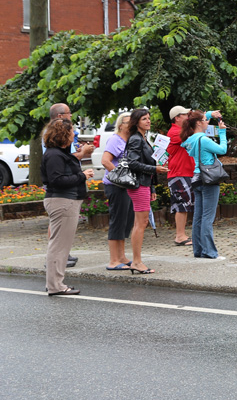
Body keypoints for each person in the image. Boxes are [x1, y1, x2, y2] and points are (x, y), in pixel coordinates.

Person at [42, 119, 94, 295]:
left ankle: (54, 284)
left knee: (59, 245)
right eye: (72, 131)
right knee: (59, 246)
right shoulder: (54, 155)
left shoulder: (58, 154)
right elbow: (57, 180)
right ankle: (56, 286)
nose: (74, 134)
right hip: (62, 202)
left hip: (64, 201)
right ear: (63, 134)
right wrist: (82, 176)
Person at [165, 105, 218, 246]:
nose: (189, 117)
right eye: (186, 114)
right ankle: (180, 236)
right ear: (177, 118)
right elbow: (196, 131)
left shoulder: (182, 131)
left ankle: (183, 235)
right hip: (178, 173)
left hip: (187, 172)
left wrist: (207, 116)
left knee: (187, 204)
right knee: (182, 204)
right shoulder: (175, 132)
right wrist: (207, 116)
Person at [124, 109, 167, 275]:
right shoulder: (136, 139)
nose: (148, 121)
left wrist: (152, 186)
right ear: (136, 122)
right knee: (140, 223)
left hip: (144, 184)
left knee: (140, 223)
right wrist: (154, 169)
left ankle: (137, 260)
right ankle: (136, 261)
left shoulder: (143, 138)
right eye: (144, 119)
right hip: (138, 184)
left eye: (149, 118)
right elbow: (132, 163)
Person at [181, 109, 228, 260]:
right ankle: (210, 252)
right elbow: (223, 149)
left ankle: (199, 251)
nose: (207, 122)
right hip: (209, 179)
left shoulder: (189, 140)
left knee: (198, 217)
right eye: (205, 120)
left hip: (196, 178)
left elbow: (197, 120)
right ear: (199, 123)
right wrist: (222, 132)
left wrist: (208, 114)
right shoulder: (204, 140)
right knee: (208, 217)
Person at [100, 112, 134, 270]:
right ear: (121, 125)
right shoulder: (115, 139)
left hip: (127, 186)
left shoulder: (130, 140)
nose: (131, 124)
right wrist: (121, 176)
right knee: (117, 220)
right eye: (129, 122)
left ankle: (121, 256)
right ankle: (113, 260)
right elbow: (105, 161)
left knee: (126, 221)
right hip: (116, 185)